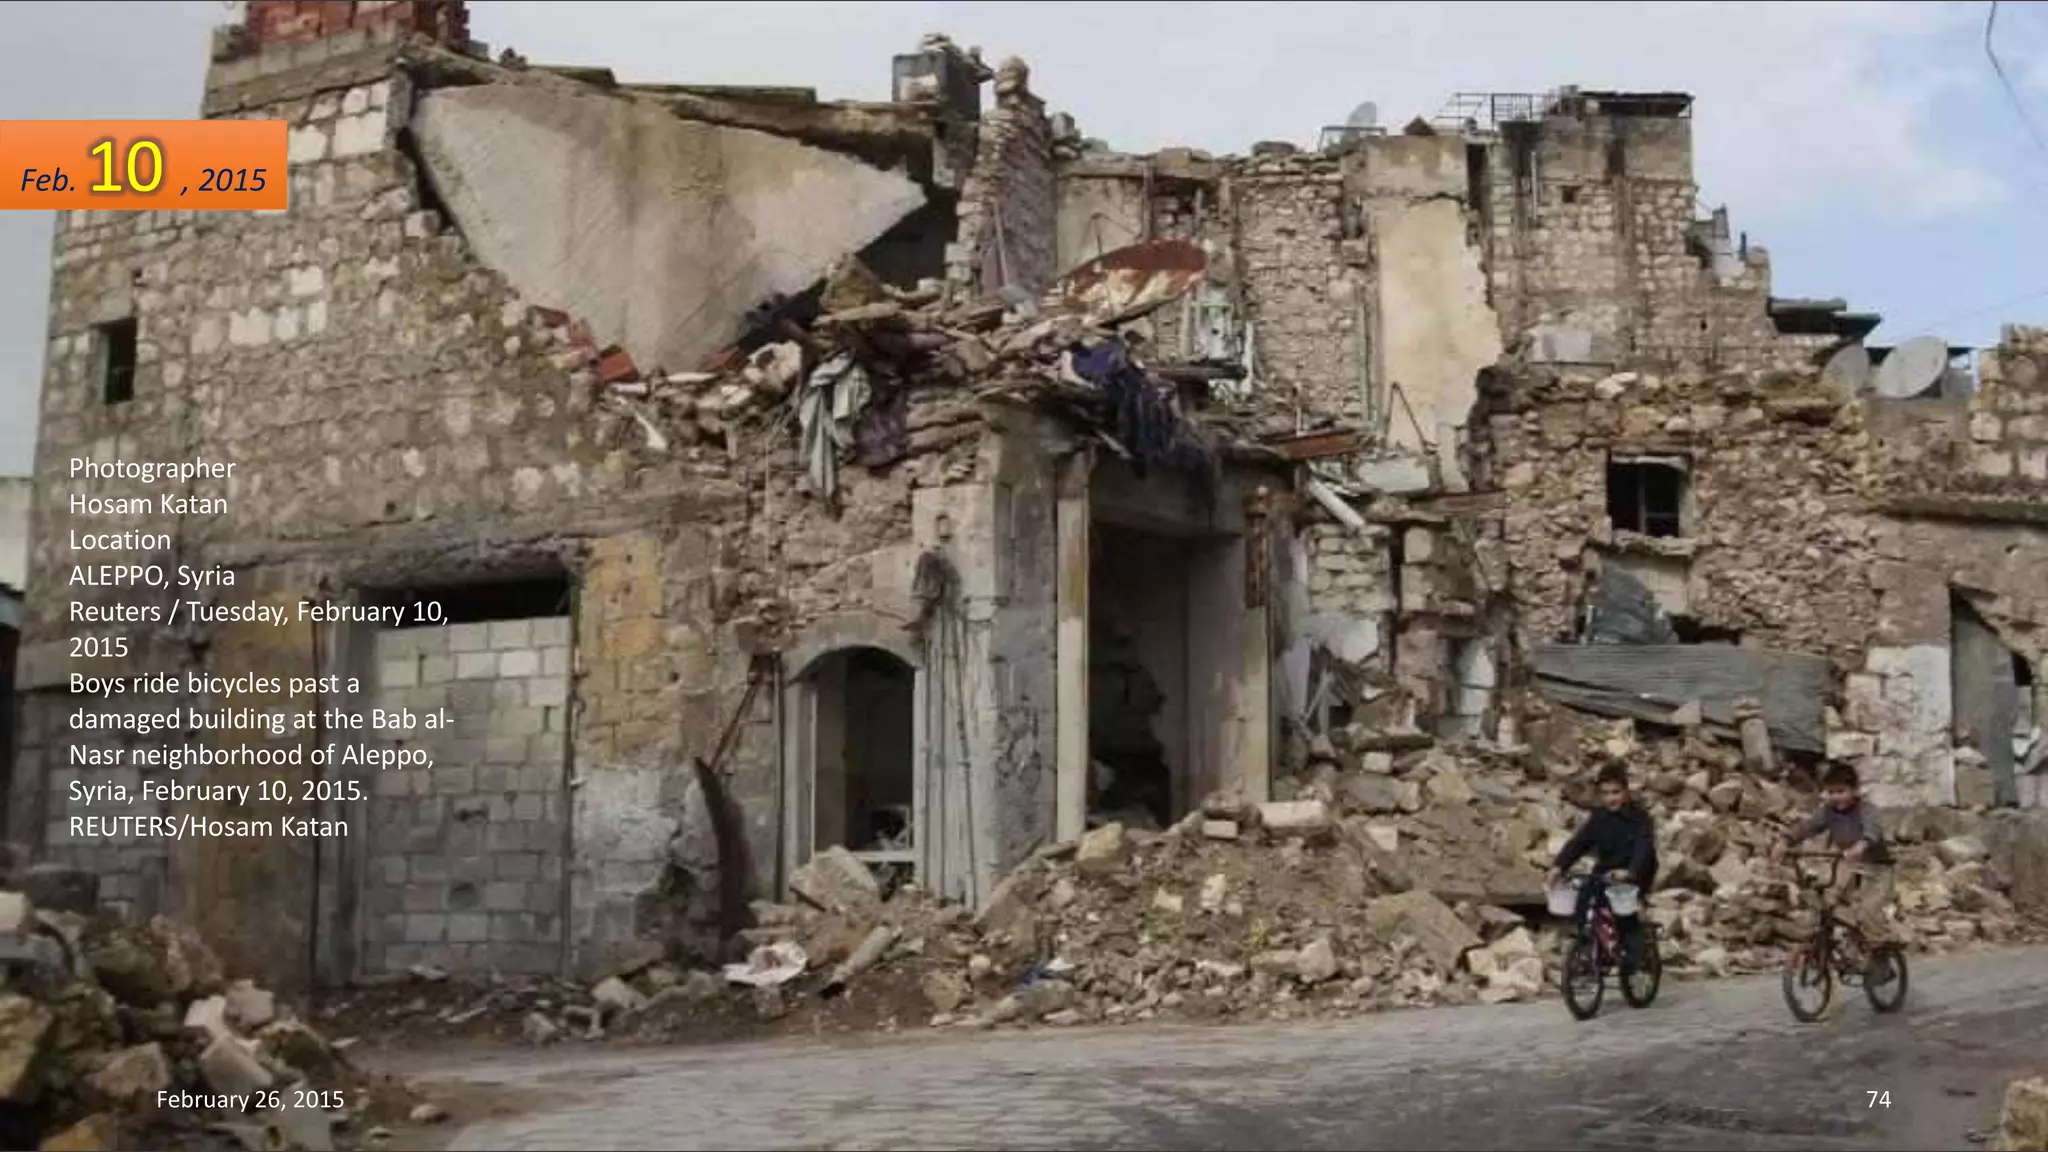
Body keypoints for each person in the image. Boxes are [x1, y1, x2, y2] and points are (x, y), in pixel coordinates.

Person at [1769, 761, 1896, 951]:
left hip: (1876, 866)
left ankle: (1880, 953)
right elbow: (1808, 827)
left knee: (1868, 911)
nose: (1836, 797)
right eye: (1831, 792)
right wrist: (1785, 841)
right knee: (1827, 900)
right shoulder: (1828, 811)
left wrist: (1861, 845)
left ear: (1854, 790)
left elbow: (1872, 831)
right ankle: (1833, 942)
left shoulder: (1866, 809)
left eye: (1841, 791)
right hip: (1846, 862)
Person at [1546, 761, 1658, 972]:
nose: (1610, 798)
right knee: (1583, 899)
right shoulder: (1599, 818)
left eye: (1615, 792)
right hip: (1606, 870)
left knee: (1623, 909)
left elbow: (1643, 847)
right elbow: (1579, 842)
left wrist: (1631, 872)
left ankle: (1632, 955)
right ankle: (1587, 948)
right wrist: (1558, 867)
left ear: (1625, 791)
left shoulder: (1640, 818)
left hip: (1635, 871)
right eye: (1605, 793)